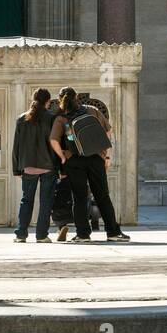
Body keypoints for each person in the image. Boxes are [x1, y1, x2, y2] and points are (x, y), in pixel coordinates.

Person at [49, 87, 130, 244]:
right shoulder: (92, 110)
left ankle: (83, 234)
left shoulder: (61, 117)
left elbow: (53, 140)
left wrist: (62, 157)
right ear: (77, 97)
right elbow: (108, 132)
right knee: (102, 196)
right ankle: (113, 232)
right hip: (95, 158)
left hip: (74, 161)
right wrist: (105, 155)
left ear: (60, 99)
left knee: (79, 198)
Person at [11, 87, 58, 243]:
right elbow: (57, 143)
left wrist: (16, 169)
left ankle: (21, 234)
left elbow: (16, 146)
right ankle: (42, 235)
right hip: (48, 166)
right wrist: (62, 168)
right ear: (48, 101)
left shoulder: (22, 119)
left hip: (28, 166)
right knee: (46, 201)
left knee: (26, 200)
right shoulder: (52, 118)